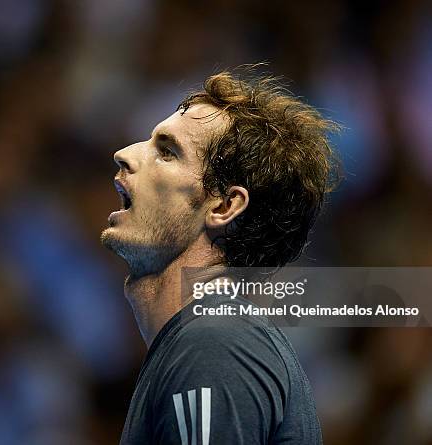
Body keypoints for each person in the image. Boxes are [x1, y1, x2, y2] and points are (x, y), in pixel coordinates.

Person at [101, 69, 339, 444]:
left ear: (225, 205)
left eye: (166, 151)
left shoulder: (213, 344)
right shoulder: (209, 340)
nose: (125, 154)